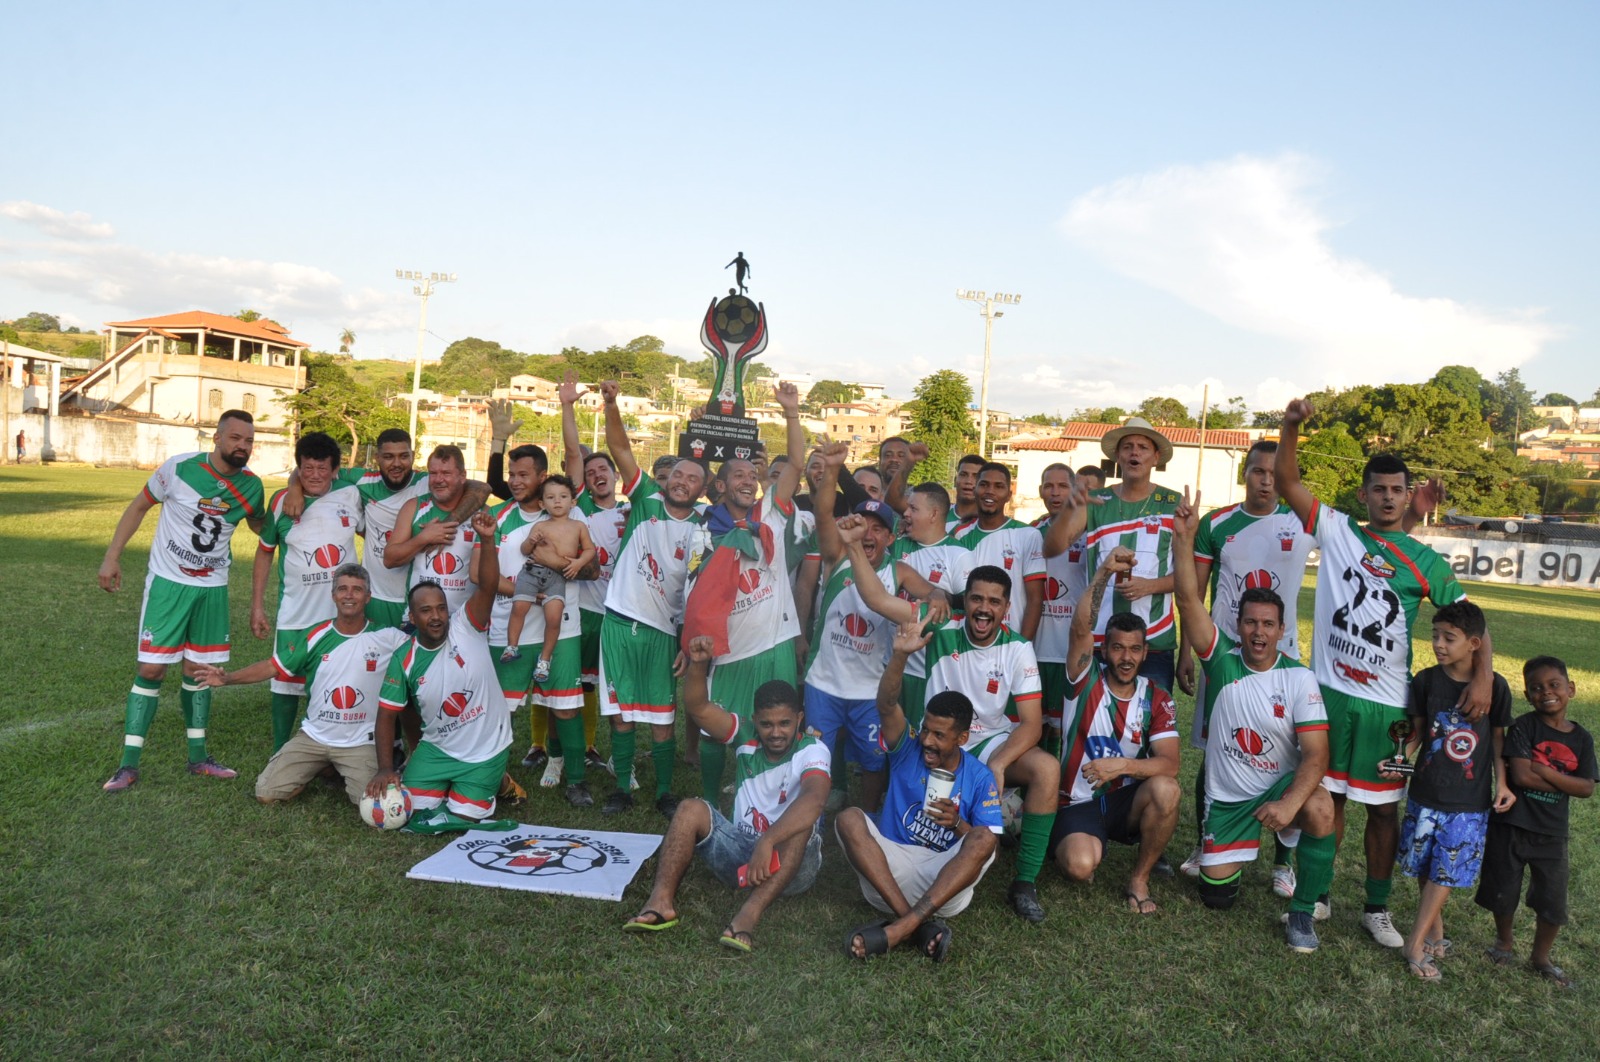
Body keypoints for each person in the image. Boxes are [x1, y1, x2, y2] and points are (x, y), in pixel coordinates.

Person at [1276, 397, 1494, 947]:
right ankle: (1318, 896)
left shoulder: (1425, 561)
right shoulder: (1336, 529)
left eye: (1398, 490)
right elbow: (1286, 478)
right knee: (1328, 801)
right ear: (1364, 494)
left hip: (1387, 706)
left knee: (1381, 808)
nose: (1389, 498)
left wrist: (1485, 676)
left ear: (1406, 495)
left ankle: (1376, 908)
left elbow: (1475, 623)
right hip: (1328, 695)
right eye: (1380, 489)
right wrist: (1290, 426)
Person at [1172, 489, 1338, 952]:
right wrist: (1183, 540)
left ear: (1281, 630)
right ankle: (1232, 856)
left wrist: (1288, 806)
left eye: (1268, 624)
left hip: (1279, 789)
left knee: (1321, 807)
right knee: (1216, 897)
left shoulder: (1299, 679)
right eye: (1250, 623)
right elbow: (1188, 599)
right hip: (1228, 799)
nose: (1258, 632)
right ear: (1237, 625)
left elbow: (1317, 755)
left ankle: (1302, 913)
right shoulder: (1221, 660)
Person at [623, 636, 830, 952]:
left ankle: (748, 914)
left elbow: (814, 800)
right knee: (690, 807)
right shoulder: (744, 733)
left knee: (801, 829)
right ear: (754, 720)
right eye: (767, 724)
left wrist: (768, 840)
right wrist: (699, 664)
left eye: (785, 723)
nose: (776, 732)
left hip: (792, 868)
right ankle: (660, 902)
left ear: (799, 719)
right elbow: (698, 707)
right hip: (741, 855)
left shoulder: (812, 749)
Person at [99, 410, 266, 791]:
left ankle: (198, 758)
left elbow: (260, 525)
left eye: (249, 440)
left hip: (212, 590)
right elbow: (139, 506)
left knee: (199, 671)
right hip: (168, 584)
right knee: (151, 670)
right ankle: (128, 765)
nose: (243, 446)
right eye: (236, 438)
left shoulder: (252, 487)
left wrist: (291, 495)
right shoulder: (179, 468)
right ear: (218, 438)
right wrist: (112, 556)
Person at [1177, 440, 1318, 889]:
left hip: (1284, 656)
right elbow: (1192, 593)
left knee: (1290, 757)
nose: (1266, 480)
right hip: (1223, 657)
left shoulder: (1303, 521)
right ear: (1245, 474)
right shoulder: (1217, 523)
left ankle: (1283, 862)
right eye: (1258, 471)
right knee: (1213, 750)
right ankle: (1207, 841)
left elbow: (1367, 538)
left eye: (1275, 473)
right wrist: (1186, 650)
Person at [838, 621, 1003, 962]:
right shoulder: (907, 749)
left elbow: (985, 849)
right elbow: (885, 705)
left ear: (961, 738)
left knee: (985, 838)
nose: (927, 740)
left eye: (939, 735)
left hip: (942, 883)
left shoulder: (980, 776)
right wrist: (899, 656)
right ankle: (912, 926)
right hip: (888, 872)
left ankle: (901, 927)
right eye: (926, 729)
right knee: (849, 819)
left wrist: (958, 824)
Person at [684, 381, 806, 805]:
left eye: (752, 476)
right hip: (731, 647)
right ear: (720, 486)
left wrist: (791, 413)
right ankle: (709, 801)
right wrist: (689, 640)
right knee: (716, 726)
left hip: (774, 644)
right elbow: (694, 591)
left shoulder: (769, 512)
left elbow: (795, 464)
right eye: (739, 476)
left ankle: (769, 798)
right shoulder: (705, 531)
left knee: (776, 727)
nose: (749, 481)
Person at [197, 564, 409, 805]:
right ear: (333, 595)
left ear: (368, 597)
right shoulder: (315, 635)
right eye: (342, 589)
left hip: (359, 741)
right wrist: (228, 678)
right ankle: (319, 767)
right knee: (266, 793)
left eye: (357, 590)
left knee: (372, 805)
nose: (349, 595)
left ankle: (337, 766)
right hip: (315, 737)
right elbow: (272, 666)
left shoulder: (388, 637)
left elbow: (421, 657)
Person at [1381, 600, 1514, 980]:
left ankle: (1415, 941)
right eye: (1435, 635)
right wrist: (1399, 761)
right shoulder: (1425, 680)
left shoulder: (1496, 688)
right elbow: (1418, 733)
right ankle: (1435, 930)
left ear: (1474, 643)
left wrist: (1502, 783)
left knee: (1447, 868)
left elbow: (1500, 743)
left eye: (1448, 638)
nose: (1438, 644)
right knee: (1425, 865)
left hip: (1468, 800)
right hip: (1425, 793)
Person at [919, 564, 1059, 923]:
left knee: (1047, 768)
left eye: (994, 602)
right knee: (932, 826)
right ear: (964, 601)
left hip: (989, 742)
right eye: (977, 598)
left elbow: (1031, 724)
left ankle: (1024, 882)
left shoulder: (1017, 647)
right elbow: (877, 598)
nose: (984, 609)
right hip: (943, 742)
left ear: (1006, 608)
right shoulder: (941, 627)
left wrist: (997, 763)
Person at [595, 380, 707, 817]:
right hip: (621, 620)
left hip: (665, 631)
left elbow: (703, 589)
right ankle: (622, 787)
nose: (682, 482)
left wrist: (687, 638)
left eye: (692, 478)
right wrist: (611, 404)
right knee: (621, 713)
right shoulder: (644, 499)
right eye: (677, 474)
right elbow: (620, 448)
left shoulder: (706, 523)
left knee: (662, 718)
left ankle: (663, 792)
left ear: (701, 489)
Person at [1051, 546, 1181, 913]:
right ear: (1103, 650)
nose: (1127, 658)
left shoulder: (1156, 697)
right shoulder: (1084, 680)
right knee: (1079, 867)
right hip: (1077, 800)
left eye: (1135, 650)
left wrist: (1122, 766)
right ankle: (1074, 842)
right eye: (1118, 649)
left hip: (1125, 801)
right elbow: (1080, 628)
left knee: (1167, 789)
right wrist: (1103, 574)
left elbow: (1170, 764)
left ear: (1144, 653)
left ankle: (1140, 877)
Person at [369, 509, 515, 832]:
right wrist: (384, 769)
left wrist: (487, 540)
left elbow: (489, 586)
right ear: (412, 616)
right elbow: (386, 715)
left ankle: (497, 778)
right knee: (411, 811)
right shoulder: (405, 658)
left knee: (465, 817)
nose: (436, 617)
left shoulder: (467, 625)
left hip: (485, 746)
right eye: (425, 611)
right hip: (439, 747)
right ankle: (471, 782)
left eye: (441, 609)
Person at [476, 445, 592, 804]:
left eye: (523, 475)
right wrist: (531, 593)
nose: (514, 482)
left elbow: (591, 570)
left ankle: (576, 781)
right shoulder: (496, 517)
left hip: (562, 628)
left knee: (566, 706)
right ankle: (490, 779)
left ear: (542, 477)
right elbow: (478, 574)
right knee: (500, 709)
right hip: (507, 627)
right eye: (511, 475)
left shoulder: (568, 516)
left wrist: (554, 562)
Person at [1476, 656, 1597, 989]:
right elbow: (1522, 775)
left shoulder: (1582, 739)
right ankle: (1504, 943)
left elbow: (1586, 788)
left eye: (1554, 685)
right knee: (1503, 891)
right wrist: (1554, 776)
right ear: (1528, 696)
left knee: (1552, 900)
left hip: (1552, 834)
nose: (1547, 692)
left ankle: (1541, 957)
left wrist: (1543, 769)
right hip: (1511, 824)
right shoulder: (1525, 727)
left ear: (1570, 689)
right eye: (1536, 688)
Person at [804, 442, 908, 812]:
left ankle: (864, 816)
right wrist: (832, 468)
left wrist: (941, 595)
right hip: (824, 682)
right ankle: (812, 822)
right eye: (864, 523)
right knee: (815, 755)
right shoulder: (838, 554)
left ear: (891, 538)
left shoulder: (899, 570)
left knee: (873, 761)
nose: (869, 534)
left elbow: (930, 592)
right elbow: (823, 512)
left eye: (880, 528)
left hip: (869, 688)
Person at [1045, 418, 1182, 692]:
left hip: (1153, 640)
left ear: (1156, 457)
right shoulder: (1096, 501)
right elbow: (1052, 548)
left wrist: (1150, 586)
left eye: (1143, 447)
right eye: (1127, 447)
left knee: (1149, 725)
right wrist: (1068, 510)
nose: (1134, 452)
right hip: (1099, 639)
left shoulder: (1174, 503)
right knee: (1097, 723)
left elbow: (1190, 578)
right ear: (1117, 456)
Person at [251, 432, 365, 750]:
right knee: (285, 681)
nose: (315, 475)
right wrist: (257, 605)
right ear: (299, 468)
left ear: (334, 469)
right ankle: (279, 749)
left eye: (322, 468)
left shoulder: (352, 494)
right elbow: (264, 551)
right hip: (296, 610)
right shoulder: (280, 502)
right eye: (307, 468)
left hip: (340, 612)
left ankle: (327, 746)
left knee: (332, 681)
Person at [884, 482, 971, 726]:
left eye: (913, 508)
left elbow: (970, 604)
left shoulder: (958, 555)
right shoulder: (897, 545)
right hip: (890, 667)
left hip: (928, 673)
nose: (906, 514)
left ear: (934, 514)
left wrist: (944, 595)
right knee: (888, 744)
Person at [501, 475, 596, 681]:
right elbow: (525, 550)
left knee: (553, 619)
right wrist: (531, 541)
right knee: (519, 608)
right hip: (531, 572)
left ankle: (545, 660)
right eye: (551, 497)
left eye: (563, 496)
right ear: (543, 503)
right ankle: (511, 646)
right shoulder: (541, 526)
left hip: (557, 578)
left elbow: (590, 550)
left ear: (573, 501)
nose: (558, 501)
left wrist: (578, 563)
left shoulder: (578, 526)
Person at [1033, 465, 1093, 752]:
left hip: (1070, 649)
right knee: (1034, 724)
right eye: (1048, 486)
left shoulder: (1090, 532)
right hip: (1036, 649)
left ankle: (1061, 791)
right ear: (1040, 491)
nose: (1055, 493)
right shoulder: (1030, 532)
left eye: (1062, 486)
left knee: (1066, 729)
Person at [385, 445, 486, 615]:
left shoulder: (483, 514)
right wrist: (423, 538)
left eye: (446, 473)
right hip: (419, 619)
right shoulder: (413, 507)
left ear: (462, 476)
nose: (438, 480)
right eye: (433, 473)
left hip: (463, 620)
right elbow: (389, 560)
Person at [952, 462, 1045, 641]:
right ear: (976, 490)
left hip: (1009, 642)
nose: (990, 491)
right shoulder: (959, 534)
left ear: (1009, 495)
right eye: (984, 484)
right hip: (966, 643)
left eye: (999, 486)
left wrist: (1021, 646)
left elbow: (1035, 600)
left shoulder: (1028, 535)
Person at [949, 454, 985, 531]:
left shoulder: (989, 523)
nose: (968, 481)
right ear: (955, 480)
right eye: (963, 475)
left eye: (976, 476)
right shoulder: (938, 516)